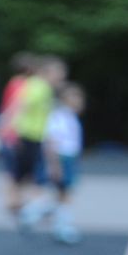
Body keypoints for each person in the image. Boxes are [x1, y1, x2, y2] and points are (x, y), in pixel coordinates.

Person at [0, 54, 64, 229]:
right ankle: (27, 207)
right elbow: (21, 106)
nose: (60, 78)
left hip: (31, 135)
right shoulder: (40, 87)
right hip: (27, 134)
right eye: (58, 73)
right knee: (29, 172)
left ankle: (22, 205)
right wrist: (9, 128)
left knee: (24, 172)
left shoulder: (36, 85)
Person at [42, 82, 85, 245]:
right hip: (62, 157)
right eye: (74, 96)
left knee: (63, 194)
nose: (79, 100)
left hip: (69, 157)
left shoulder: (70, 116)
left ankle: (59, 223)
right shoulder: (59, 116)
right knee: (64, 194)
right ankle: (62, 226)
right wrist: (54, 164)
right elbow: (51, 140)